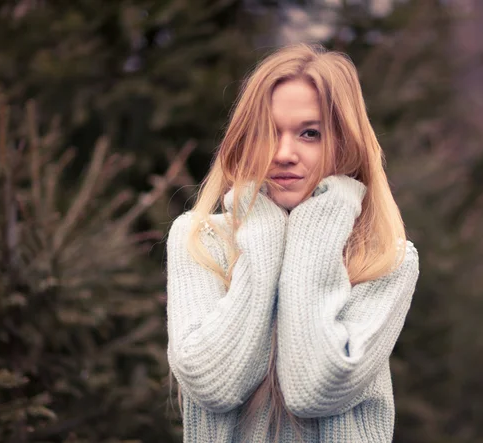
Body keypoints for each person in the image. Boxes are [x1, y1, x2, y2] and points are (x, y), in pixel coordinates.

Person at [166, 43, 420, 443]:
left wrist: (315, 229)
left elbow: (314, 388)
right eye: (268, 132)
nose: (284, 153)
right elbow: (213, 384)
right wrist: (264, 233)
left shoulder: (385, 259)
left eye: (310, 133)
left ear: (345, 142)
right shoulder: (200, 241)